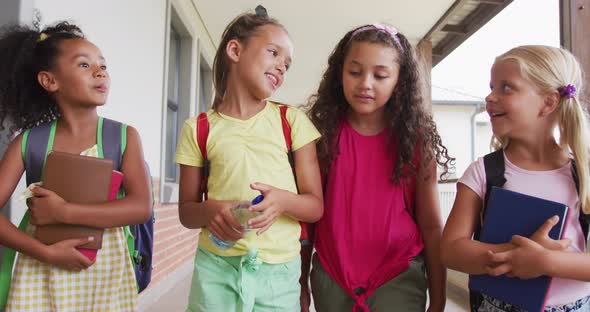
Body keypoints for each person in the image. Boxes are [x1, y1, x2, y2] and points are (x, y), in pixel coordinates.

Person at [174, 7, 323, 312]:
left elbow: (315, 206)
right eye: (273, 53)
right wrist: (211, 210)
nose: (281, 67)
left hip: (279, 271)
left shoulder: (291, 121)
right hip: (216, 265)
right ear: (235, 50)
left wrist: (283, 200)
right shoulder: (198, 128)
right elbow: (187, 213)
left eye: (287, 64)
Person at [0, 21, 151, 311]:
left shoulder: (123, 137)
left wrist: (64, 212)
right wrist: (45, 253)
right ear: (50, 81)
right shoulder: (29, 142)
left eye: (102, 65)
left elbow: (141, 207)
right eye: (84, 65)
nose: (100, 71)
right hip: (40, 272)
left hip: (106, 277)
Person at [304, 23, 453, 312]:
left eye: (381, 75)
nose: (366, 84)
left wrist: (438, 299)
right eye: (355, 72)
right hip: (331, 278)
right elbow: (306, 221)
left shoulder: (415, 142)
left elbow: (432, 226)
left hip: (398, 276)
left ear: (399, 80)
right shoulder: (320, 136)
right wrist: (300, 283)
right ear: (340, 73)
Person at [441, 45, 590, 311]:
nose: (490, 97)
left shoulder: (585, 174)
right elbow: (450, 249)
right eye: (491, 87)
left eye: (506, 88)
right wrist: (514, 254)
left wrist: (544, 262)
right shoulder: (483, 172)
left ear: (548, 102)